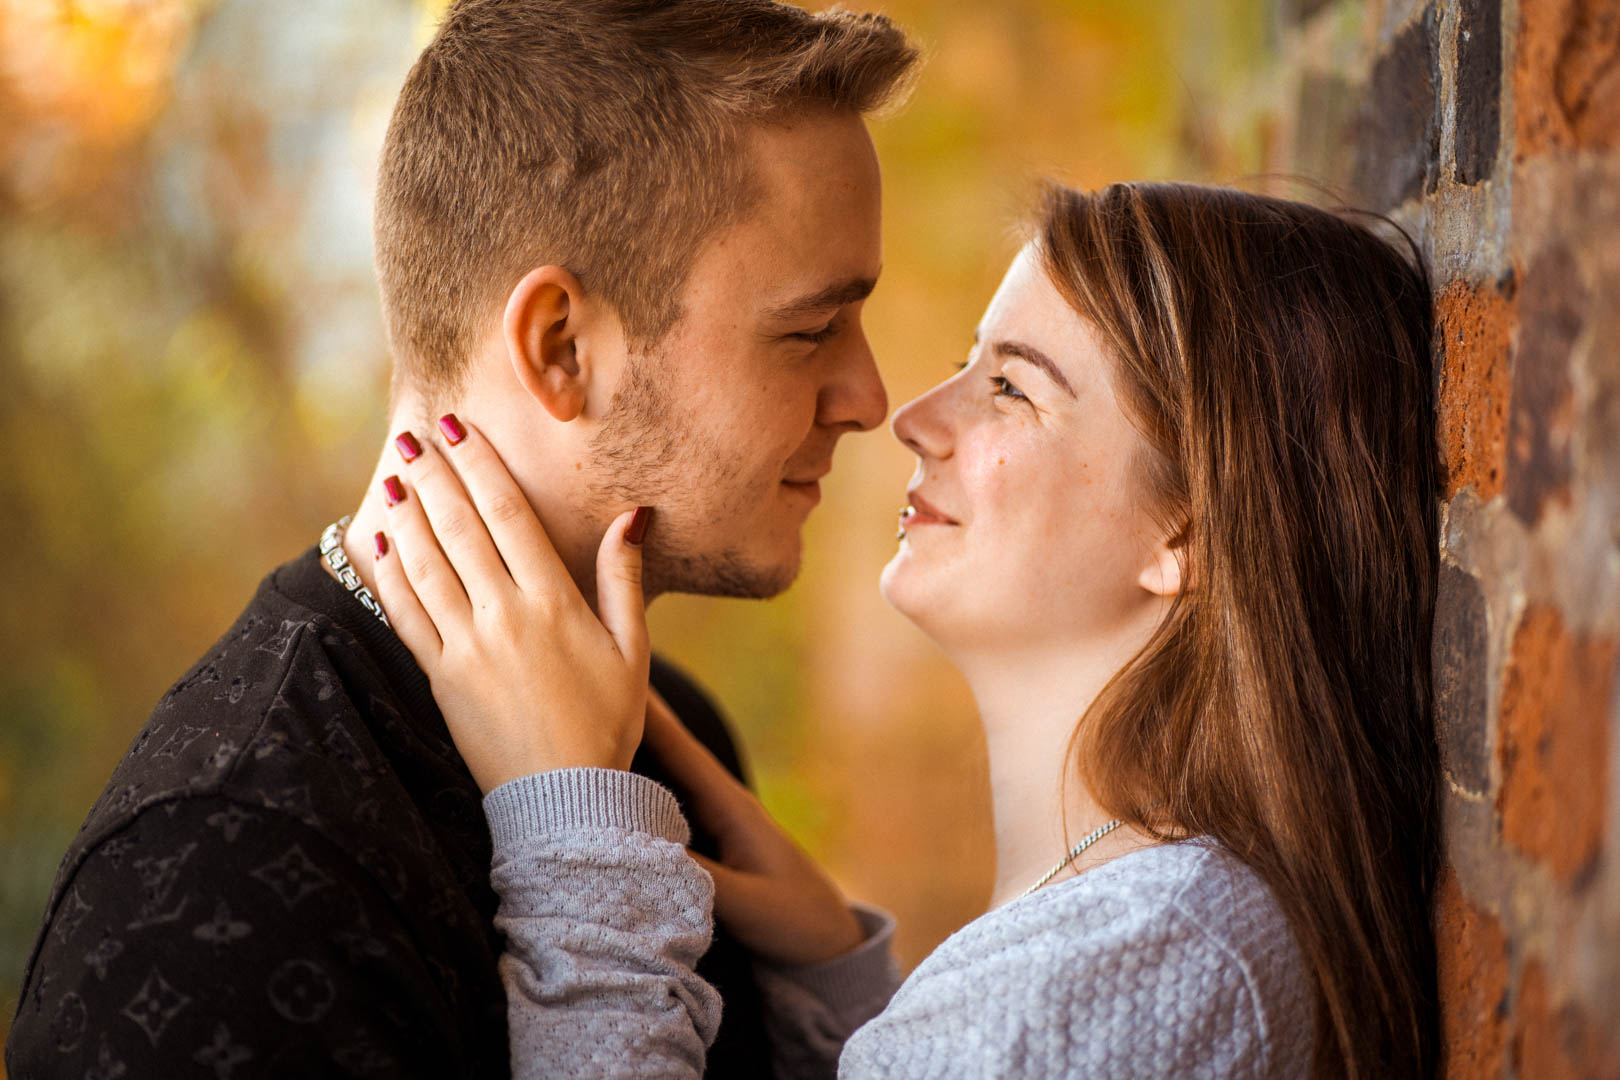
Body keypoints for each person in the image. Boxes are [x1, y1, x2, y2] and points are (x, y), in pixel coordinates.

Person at [3, 2, 918, 1076]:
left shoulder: (674, 743)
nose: (869, 397)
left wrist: (833, 986)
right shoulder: (217, 865)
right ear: (559, 345)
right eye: (811, 330)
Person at [370, 181, 1442, 1078]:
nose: (914, 416)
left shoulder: (1151, 958)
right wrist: (843, 982)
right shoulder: (1142, 940)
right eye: (974, 364)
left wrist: (578, 849)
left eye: (1013, 388)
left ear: (1187, 533)